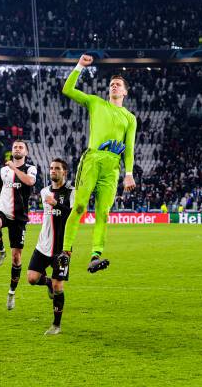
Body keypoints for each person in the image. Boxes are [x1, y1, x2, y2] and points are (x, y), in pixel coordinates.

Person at [61, 54, 137, 273]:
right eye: (112, 84)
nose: (114, 86)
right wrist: (79, 67)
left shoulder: (130, 118)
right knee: (81, 206)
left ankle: (95, 255)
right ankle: (65, 251)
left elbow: (129, 148)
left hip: (113, 166)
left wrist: (129, 173)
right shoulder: (95, 102)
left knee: (103, 213)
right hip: (93, 159)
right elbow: (67, 90)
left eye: (118, 84)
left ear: (125, 92)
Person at [0, 140, 38, 310]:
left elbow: (30, 182)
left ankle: (11, 293)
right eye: (15, 147)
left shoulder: (30, 169)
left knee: (17, 258)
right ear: (12, 150)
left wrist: (14, 168)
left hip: (19, 217)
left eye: (20, 147)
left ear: (26, 152)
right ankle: (0, 251)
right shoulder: (3, 171)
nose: (17, 149)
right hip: (3, 210)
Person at [26, 159, 74, 335]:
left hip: (62, 248)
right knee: (31, 278)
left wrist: (57, 204)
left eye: (57, 168)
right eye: (51, 168)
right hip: (42, 244)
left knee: (58, 287)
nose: (53, 171)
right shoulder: (44, 191)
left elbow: (74, 216)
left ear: (64, 172)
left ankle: (56, 325)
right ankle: (46, 282)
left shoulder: (71, 192)